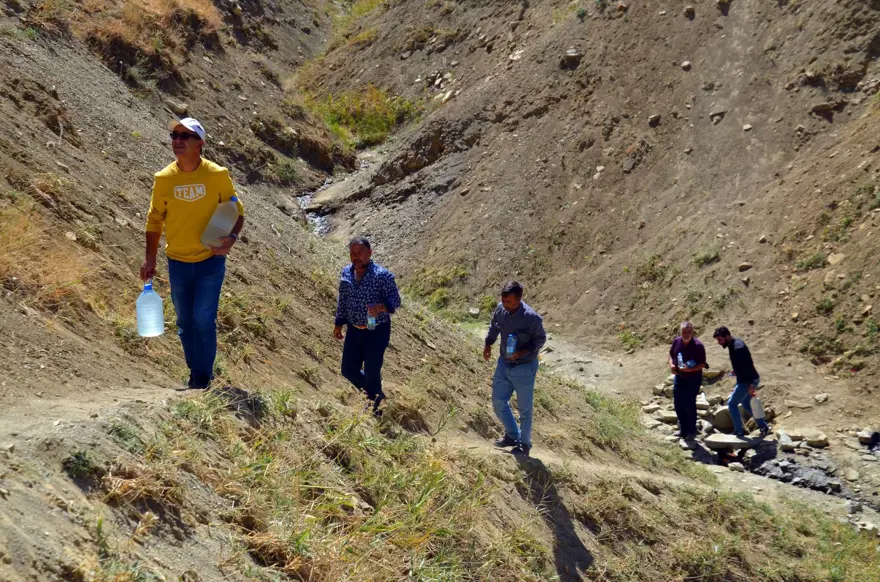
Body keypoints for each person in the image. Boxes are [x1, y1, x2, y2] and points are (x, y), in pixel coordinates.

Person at [140, 117, 244, 390]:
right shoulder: (163, 179)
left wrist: (230, 239)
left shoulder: (217, 174)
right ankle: (196, 373)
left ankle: (201, 378)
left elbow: (236, 210)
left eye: (184, 136)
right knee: (185, 322)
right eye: (174, 135)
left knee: (203, 319)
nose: (177, 140)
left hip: (211, 260)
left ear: (200, 143)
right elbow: (154, 219)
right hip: (178, 261)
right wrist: (150, 258)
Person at [333, 237, 402, 416]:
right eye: (353, 253)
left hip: (376, 331)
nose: (356, 257)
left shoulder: (382, 275)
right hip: (354, 329)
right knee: (348, 370)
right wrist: (338, 323)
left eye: (360, 253)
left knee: (372, 369)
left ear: (370, 253)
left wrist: (380, 307)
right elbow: (343, 300)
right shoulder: (346, 273)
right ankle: (375, 394)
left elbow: (396, 300)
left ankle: (375, 408)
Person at [483, 281, 546, 457]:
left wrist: (521, 353)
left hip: (524, 367)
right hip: (504, 364)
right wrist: (488, 344)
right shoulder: (500, 310)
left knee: (525, 409)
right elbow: (494, 326)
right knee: (498, 401)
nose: (505, 304)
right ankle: (512, 435)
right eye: (503, 300)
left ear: (519, 299)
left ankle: (524, 444)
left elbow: (540, 340)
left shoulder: (531, 318)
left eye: (509, 301)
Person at [713, 326, 771, 438]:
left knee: (732, 404)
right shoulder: (732, 344)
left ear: (727, 336)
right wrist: (736, 371)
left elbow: (748, 365)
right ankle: (764, 427)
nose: (719, 343)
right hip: (747, 379)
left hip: (747, 381)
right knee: (746, 403)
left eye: (720, 340)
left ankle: (739, 432)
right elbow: (743, 365)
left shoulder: (737, 348)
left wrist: (750, 385)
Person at [667, 322, 707, 441]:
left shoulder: (698, 345)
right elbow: (670, 354)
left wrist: (690, 369)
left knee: (689, 404)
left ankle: (691, 430)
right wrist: (671, 365)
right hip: (679, 377)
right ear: (681, 332)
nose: (686, 334)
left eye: (689, 332)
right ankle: (683, 429)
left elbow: (702, 364)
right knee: (678, 403)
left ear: (692, 332)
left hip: (693, 379)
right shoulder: (677, 341)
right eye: (684, 332)